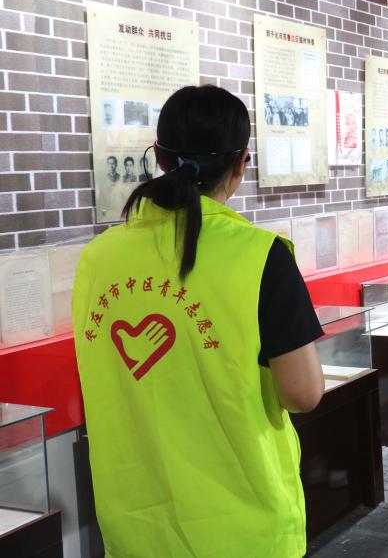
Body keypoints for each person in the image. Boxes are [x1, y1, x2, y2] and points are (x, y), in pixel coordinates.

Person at [72, 85, 325, 558]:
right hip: (243, 525)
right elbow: (303, 393)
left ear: (158, 156)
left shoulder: (97, 259)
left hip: (137, 527)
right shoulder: (261, 256)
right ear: (241, 163)